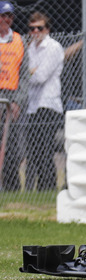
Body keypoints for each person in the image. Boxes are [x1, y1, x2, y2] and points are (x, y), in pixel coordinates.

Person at [25, 11, 64, 191]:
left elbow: (40, 76)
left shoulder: (53, 47)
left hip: (48, 104)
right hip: (32, 105)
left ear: (47, 29)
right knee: (34, 150)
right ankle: (42, 186)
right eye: (32, 28)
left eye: (39, 28)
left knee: (44, 148)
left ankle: (47, 186)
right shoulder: (30, 47)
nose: (35, 31)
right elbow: (30, 72)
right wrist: (31, 72)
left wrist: (29, 73)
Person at [0, 1, 24, 191]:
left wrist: (17, 100)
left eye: (9, 16)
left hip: (11, 97)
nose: (6, 20)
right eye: (3, 15)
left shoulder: (18, 40)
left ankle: (11, 188)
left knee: (13, 148)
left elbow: (25, 74)